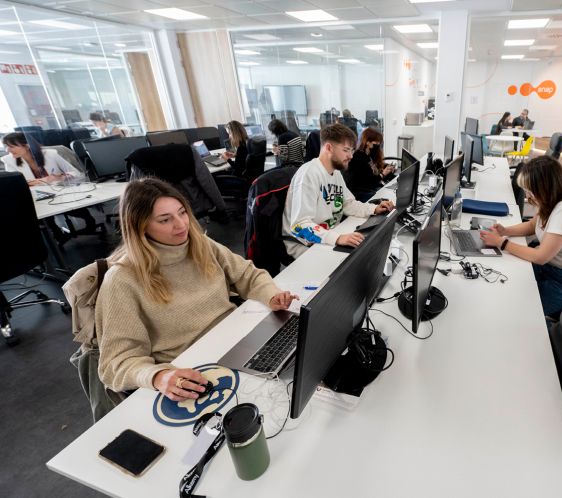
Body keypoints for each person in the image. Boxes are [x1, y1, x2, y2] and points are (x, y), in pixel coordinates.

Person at [95, 178, 296, 400]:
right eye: (165, 220)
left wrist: (271, 294)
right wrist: (158, 376)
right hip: (193, 369)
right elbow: (116, 363)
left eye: (182, 212)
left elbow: (247, 275)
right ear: (139, 226)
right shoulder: (122, 279)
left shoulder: (200, 244)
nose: (181, 225)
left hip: (237, 342)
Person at [479, 156, 562, 317]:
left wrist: (502, 243)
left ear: (544, 187)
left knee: (523, 311)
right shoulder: (553, 199)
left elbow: (540, 256)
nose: (527, 195)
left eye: (530, 190)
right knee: (506, 284)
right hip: (552, 268)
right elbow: (532, 226)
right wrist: (505, 231)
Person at [282, 123, 394, 258]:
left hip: (329, 236)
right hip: (305, 244)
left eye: (352, 150)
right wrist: (337, 238)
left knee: (370, 252)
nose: (351, 156)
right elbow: (299, 226)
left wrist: (373, 209)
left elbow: (347, 203)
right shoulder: (308, 175)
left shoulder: (335, 173)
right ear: (329, 148)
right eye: (346, 150)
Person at [2, 132, 99, 241]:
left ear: (27, 145)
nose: (7, 150)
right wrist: (43, 180)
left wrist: (59, 177)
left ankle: (89, 222)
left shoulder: (50, 154)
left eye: (12, 146)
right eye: (6, 146)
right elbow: (14, 183)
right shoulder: (8, 160)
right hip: (37, 196)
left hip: (62, 191)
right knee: (40, 214)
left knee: (73, 208)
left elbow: (75, 173)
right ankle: (56, 233)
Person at [342, 127, 395, 202]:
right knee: (388, 199)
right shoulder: (358, 157)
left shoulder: (369, 155)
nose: (378, 145)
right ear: (367, 142)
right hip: (360, 193)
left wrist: (386, 167)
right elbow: (369, 182)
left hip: (369, 188)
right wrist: (383, 174)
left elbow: (374, 168)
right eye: (376, 143)